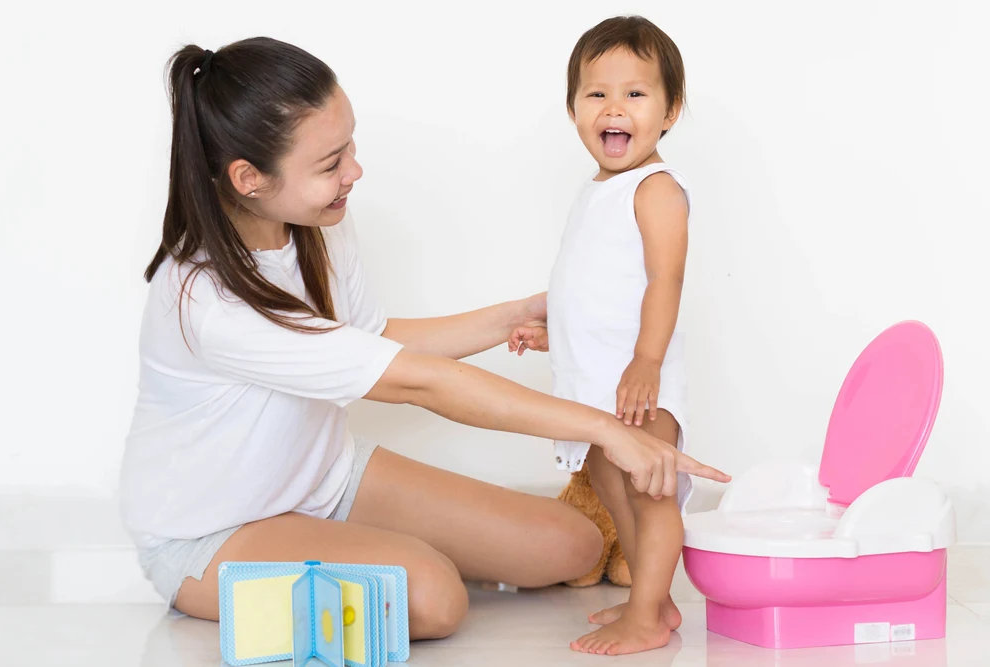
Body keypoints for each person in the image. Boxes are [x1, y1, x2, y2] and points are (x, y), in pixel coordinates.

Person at [120, 36, 729, 641]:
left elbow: (372, 338)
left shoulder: (315, 223)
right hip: (211, 531)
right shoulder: (204, 303)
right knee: (433, 598)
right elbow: (414, 380)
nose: (354, 171)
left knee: (573, 545)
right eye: (331, 164)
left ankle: (356, 549)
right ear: (249, 177)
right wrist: (602, 428)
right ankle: (330, 564)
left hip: (323, 478)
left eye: (349, 146)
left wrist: (521, 314)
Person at [509, 15, 696, 655]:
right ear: (573, 109)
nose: (614, 107)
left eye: (636, 94)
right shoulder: (597, 191)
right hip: (595, 382)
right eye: (597, 94)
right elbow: (594, 290)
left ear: (670, 111)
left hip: (637, 381)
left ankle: (645, 613)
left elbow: (664, 280)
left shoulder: (655, 188)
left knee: (649, 494)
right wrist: (554, 335)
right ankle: (655, 601)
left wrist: (647, 360)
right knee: (616, 492)